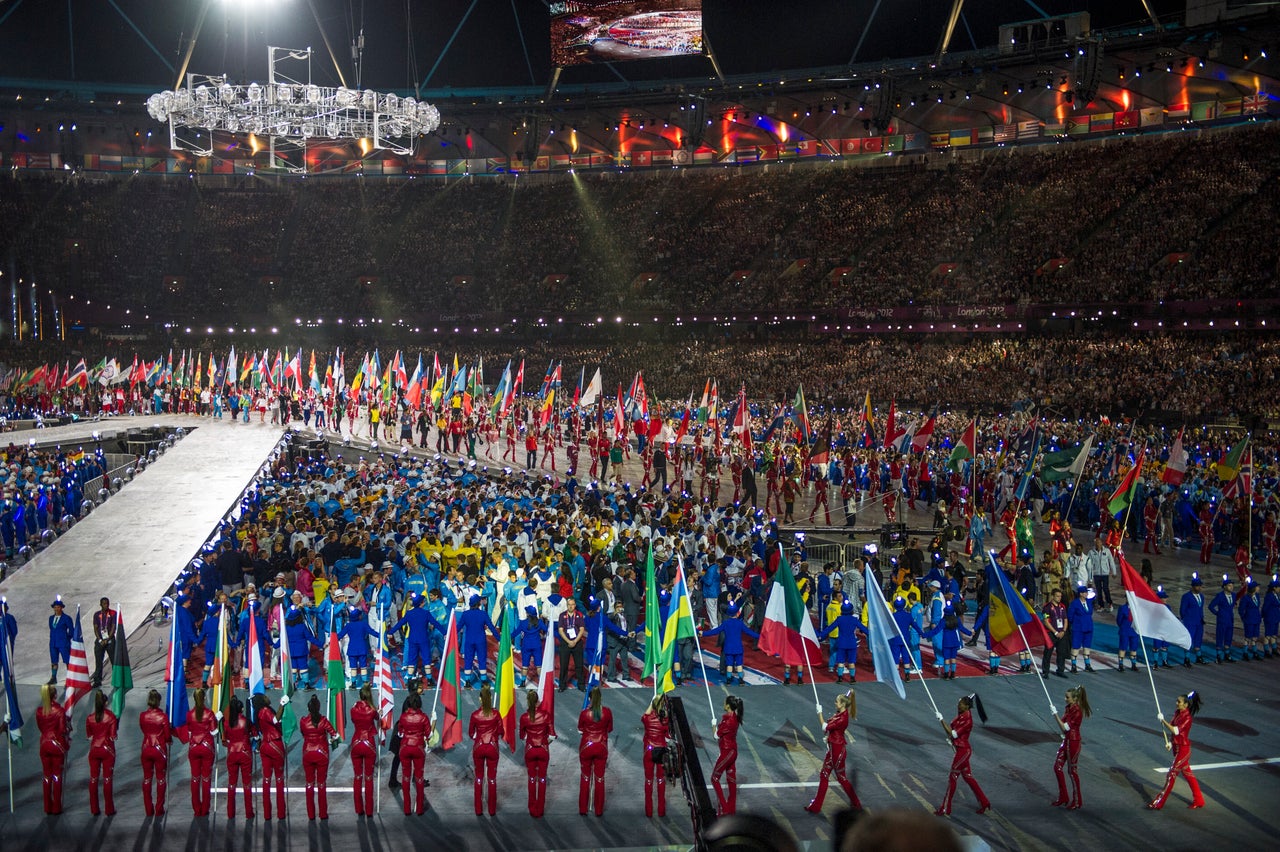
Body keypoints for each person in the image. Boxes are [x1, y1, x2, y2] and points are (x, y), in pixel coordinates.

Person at [805, 690, 862, 813]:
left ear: (842, 705)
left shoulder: (842, 719)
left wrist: (819, 713)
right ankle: (817, 805)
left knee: (841, 778)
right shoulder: (841, 712)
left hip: (837, 752)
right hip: (833, 749)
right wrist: (849, 693)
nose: (835, 703)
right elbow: (846, 698)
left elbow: (824, 727)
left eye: (837, 702)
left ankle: (856, 803)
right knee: (825, 775)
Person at [934, 695, 990, 816]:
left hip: (963, 752)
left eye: (961, 704)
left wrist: (941, 720)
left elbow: (953, 734)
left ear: (967, 707)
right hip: (960, 749)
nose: (958, 705)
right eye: (959, 703)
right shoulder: (962, 714)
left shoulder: (968, 720)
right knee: (968, 777)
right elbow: (950, 732)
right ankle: (984, 802)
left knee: (952, 778)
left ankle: (945, 807)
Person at [1149, 691, 1205, 809]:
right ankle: (1199, 799)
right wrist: (1170, 742)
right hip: (1177, 747)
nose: (1176, 703)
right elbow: (1172, 730)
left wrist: (1162, 721)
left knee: (1171, 774)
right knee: (1188, 774)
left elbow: (1176, 730)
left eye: (1179, 702)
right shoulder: (1177, 713)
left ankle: (1159, 802)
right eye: (1177, 701)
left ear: (1186, 705)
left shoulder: (1187, 718)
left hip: (1183, 749)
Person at [178, 688, 219, 817]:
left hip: (194, 747)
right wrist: (217, 720)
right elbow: (214, 732)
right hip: (207, 747)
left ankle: (196, 809)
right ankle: (205, 808)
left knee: (195, 778)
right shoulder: (209, 713)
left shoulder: (189, 714)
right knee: (206, 779)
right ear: (205, 698)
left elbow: (190, 732)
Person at [1050, 685, 1092, 809]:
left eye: (1067, 697)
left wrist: (1055, 715)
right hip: (1067, 741)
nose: (1065, 699)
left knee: (1072, 772)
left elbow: (1065, 727)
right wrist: (1057, 716)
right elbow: (1062, 726)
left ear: (1074, 698)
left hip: (1073, 742)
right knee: (1057, 767)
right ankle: (1063, 796)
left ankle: (1077, 800)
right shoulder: (1068, 708)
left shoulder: (1077, 712)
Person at [300, 692, 338, 819]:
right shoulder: (323, 721)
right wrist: (329, 741)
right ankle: (323, 814)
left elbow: (303, 735)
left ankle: (311, 814)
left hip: (307, 753)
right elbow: (335, 735)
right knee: (321, 784)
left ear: (308, 708)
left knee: (309, 784)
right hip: (322, 753)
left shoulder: (303, 721)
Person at [701, 602, 761, 685]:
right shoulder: (740, 623)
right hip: (738, 648)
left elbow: (715, 631)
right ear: (737, 613)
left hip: (728, 648)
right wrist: (761, 637)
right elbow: (749, 632)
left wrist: (703, 633)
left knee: (729, 664)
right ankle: (741, 680)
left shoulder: (725, 623)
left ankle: (728, 680)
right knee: (739, 664)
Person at [468, 683, 503, 815]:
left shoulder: (475, 715)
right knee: (492, 779)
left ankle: (478, 809)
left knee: (478, 777)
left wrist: (479, 737)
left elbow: (471, 733)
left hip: (479, 747)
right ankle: (492, 810)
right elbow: (501, 731)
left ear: (481, 699)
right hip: (493, 747)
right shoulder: (496, 714)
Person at [578, 686, 613, 816]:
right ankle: (598, 810)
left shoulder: (584, 713)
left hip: (586, 746)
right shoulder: (607, 712)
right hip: (601, 747)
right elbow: (609, 729)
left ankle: (583, 808)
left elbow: (580, 728)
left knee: (585, 777)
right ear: (601, 698)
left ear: (589, 699)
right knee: (599, 779)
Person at [519, 688, 554, 817]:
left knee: (532, 779)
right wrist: (544, 743)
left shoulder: (524, 717)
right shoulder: (546, 715)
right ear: (538, 701)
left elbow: (522, 736)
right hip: (543, 749)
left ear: (528, 702)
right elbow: (553, 735)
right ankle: (540, 809)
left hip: (530, 750)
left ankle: (532, 808)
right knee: (543, 779)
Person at [37, 683, 71, 814]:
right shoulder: (60, 711)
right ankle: (56, 807)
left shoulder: (39, 711)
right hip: (57, 745)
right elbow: (62, 729)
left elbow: (40, 727)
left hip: (44, 744)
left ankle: (47, 807)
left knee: (46, 775)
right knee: (57, 775)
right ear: (55, 695)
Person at [84, 689, 119, 816]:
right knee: (107, 779)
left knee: (93, 779)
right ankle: (109, 809)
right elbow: (113, 736)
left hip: (94, 750)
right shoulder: (111, 717)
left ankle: (94, 809)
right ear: (106, 703)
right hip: (107, 750)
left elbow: (89, 735)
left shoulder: (90, 718)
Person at [139, 689, 173, 817]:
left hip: (146, 747)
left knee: (147, 779)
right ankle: (159, 808)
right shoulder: (163, 717)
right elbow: (167, 735)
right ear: (158, 701)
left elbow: (143, 729)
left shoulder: (143, 716)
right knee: (160, 779)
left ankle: (148, 809)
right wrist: (168, 740)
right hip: (159, 749)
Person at [397, 691, 432, 815]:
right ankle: (419, 808)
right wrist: (432, 723)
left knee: (405, 777)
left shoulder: (403, 717)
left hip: (405, 748)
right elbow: (429, 735)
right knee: (419, 778)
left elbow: (400, 734)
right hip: (418, 749)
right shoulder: (423, 717)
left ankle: (407, 808)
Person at [254, 692, 287, 819]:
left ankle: (267, 813)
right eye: (265, 696)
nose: (268, 697)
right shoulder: (265, 711)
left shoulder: (259, 713)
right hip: (275, 745)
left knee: (266, 780)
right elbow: (275, 719)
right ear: (262, 700)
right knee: (279, 779)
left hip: (265, 746)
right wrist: (282, 705)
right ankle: (281, 813)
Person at [388, 678, 425, 791]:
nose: (422, 688)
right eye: (419, 687)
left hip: (406, 731)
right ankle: (393, 780)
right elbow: (410, 719)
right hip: (405, 732)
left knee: (400, 757)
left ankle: (411, 777)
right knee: (399, 757)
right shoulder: (410, 701)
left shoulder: (413, 699)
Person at [222, 694, 255, 819]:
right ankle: (249, 812)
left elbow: (226, 739)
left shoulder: (227, 723)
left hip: (232, 753)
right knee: (247, 784)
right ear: (241, 709)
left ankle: (230, 813)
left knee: (231, 784)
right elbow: (254, 733)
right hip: (245, 753)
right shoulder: (246, 721)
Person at [349, 684, 379, 817]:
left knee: (357, 777)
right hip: (369, 744)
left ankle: (358, 809)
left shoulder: (353, 709)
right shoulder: (372, 710)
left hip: (356, 742)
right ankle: (369, 810)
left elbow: (353, 720)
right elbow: (378, 719)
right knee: (368, 778)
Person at [641, 694, 671, 818]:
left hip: (649, 750)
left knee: (648, 780)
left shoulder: (648, 719)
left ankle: (648, 811)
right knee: (660, 780)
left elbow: (644, 716)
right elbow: (669, 737)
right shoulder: (665, 720)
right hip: (661, 751)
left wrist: (652, 702)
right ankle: (661, 811)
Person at [923, 605, 971, 680]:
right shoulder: (957, 619)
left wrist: (925, 635)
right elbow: (962, 628)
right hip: (955, 641)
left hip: (946, 642)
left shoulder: (943, 621)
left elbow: (936, 631)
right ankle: (953, 673)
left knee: (946, 658)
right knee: (953, 657)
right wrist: (970, 633)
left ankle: (946, 674)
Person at [557, 595, 586, 691]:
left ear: (575, 605)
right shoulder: (562, 615)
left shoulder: (579, 615)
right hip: (565, 643)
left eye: (572, 604)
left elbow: (582, 630)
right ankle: (562, 685)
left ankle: (581, 685)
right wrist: (569, 641)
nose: (571, 606)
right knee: (564, 665)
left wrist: (575, 641)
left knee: (579, 665)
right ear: (566, 605)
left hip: (577, 643)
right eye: (569, 605)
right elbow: (561, 630)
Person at [1179, 574, 1207, 666]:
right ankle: (1187, 658)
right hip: (1190, 622)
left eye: (1200, 586)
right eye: (1198, 586)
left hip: (1199, 622)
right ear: (1193, 586)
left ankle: (1199, 656)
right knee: (1189, 640)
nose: (1200, 588)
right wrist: (1185, 619)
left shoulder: (1202, 597)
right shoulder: (1186, 596)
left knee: (1198, 639)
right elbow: (1182, 610)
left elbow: (1201, 608)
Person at [1067, 585, 1096, 673]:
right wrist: (1075, 624)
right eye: (1085, 592)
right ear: (1080, 594)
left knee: (1087, 646)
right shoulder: (1075, 603)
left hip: (1088, 627)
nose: (1087, 594)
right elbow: (1070, 616)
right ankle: (1073, 665)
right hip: (1078, 628)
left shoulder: (1089, 602)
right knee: (1076, 646)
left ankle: (1087, 665)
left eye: (1087, 592)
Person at [91, 597, 118, 688]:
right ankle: (97, 680)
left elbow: (114, 627)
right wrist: (100, 640)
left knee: (114, 661)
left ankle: (117, 680)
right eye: (104, 603)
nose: (106, 605)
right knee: (98, 661)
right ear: (100, 604)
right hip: (100, 641)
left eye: (107, 603)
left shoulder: (113, 613)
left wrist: (107, 639)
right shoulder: (96, 614)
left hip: (110, 640)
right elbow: (95, 628)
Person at [1208, 576, 1237, 662]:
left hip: (1230, 620)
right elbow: (1211, 606)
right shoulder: (1220, 596)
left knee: (1229, 636)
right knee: (1220, 636)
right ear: (1224, 587)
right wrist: (1218, 614)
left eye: (1232, 585)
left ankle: (1227, 654)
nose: (1231, 587)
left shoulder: (1234, 595)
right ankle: (1218, 655)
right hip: (1222, 620)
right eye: (1229, 586)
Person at [48, 596, 73, 686]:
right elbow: (51, 628)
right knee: (54, 661)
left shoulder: (66, 618)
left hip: (63, 643)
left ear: (61, 608)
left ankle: (70, 678)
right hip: (53, 643)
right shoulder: (51, 618)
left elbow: (71, 630)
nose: (56, 609)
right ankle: (53, 677)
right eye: (55, 607)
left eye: (58, 607)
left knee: (67, 661)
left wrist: (67, 638)